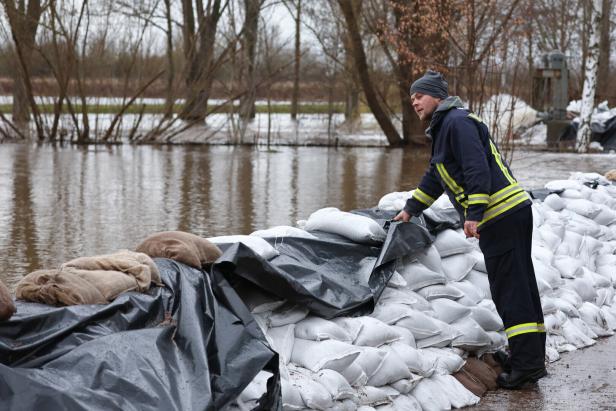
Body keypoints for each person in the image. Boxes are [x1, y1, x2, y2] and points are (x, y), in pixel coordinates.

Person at [394, 70, 546, 389]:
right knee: (519, 285)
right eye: (411, 97)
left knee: (511, 290)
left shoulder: (456, 123)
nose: (414, 101)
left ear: (436, 95)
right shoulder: (445, 126)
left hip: (500, 214)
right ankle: (526, 357)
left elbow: (476, 166)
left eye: (419, 95)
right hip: (509, 212)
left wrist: (474, 212)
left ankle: (527, 367)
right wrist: (410, 209)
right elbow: (436, 177)